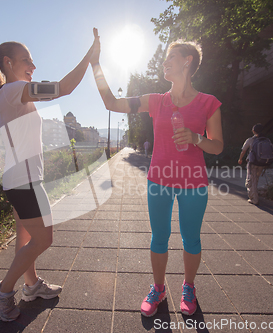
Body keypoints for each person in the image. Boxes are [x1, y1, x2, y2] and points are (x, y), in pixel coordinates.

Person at [89, 30, 223, 317]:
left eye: (170, 58)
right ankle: (159, 288)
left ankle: (189, 287)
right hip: (159, 181)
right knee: (159, 237)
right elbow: (112, 103)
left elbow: (218, 146)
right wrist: (95, 64)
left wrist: (196, 138)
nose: (165, 63)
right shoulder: (156, 101)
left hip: (193, 184)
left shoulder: (208, 103)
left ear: (187, 62)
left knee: (192, 239)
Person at [0, 29, 99, 322]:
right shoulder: (13, 91)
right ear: (8, 62)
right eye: (27, 60)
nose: (33, 66)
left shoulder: (10, 94)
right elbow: (63, 88)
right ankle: (3, 291)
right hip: (23, 181)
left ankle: (31, 286)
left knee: (25, 235)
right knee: (44, 238)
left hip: (18, 178)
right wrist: (90, 55)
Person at [238, 123, 265, 205]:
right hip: (262, 162)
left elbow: (243, 151)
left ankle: (254, 199)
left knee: (250, 180)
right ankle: (255, 195)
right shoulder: (266, 140)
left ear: (253, 131)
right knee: (256, 179)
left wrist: (240, 159)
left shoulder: (251, 140)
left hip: (253, 163)